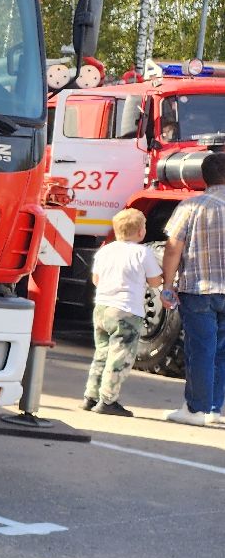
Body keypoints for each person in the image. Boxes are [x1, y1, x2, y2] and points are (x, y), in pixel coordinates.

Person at [160, 151, 225, 426]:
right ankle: (213, 408)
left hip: (198, 289)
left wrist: (167, 285)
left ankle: (195, 410)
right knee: (221, 351)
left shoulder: (191, 206)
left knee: (201, 350)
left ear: (203, 177)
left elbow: (174, 248)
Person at [81, 208, 161, 417]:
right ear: (140, 232)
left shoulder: (105, 251)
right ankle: (108, 400)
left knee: (102, 352)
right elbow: (155, 281)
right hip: (126, 310)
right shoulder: (142, 253)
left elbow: (96, 280)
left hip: (101, 308)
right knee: (120, 357)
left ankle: (90, 395)